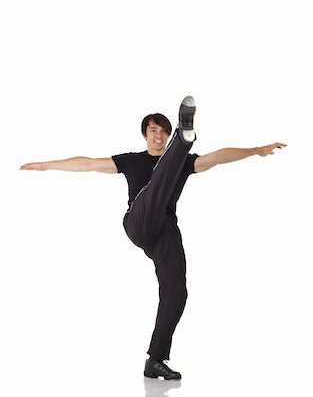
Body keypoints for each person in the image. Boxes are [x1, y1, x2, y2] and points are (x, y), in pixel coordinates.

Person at [20, 97, 287, 380]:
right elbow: (87, 164)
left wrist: (256, 150)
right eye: (153, 131)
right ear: (146, 135)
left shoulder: (183, 165)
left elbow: (218, 157)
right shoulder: (132, 161)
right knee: (158, 184)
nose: (158, 136)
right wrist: (45, 165)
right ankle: (186, 139)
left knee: (177, 293)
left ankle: (155, 360)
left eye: (163, 131)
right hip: (139, 220)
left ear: (167, 134)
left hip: (164, 231)